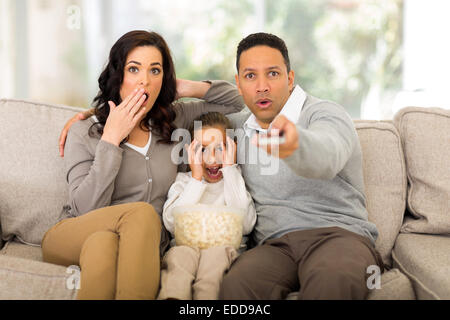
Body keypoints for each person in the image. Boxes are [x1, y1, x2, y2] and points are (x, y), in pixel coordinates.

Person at [42, 30, 245, 300]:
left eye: (155, 70)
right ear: (118, 75)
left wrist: (182, 86)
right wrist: (110, 141)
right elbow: (84, 210)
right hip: (71, 233)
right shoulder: (86, 131)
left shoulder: (175, 121)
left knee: (104, 245)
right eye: (134, 69)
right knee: (142, 214)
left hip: (128, 243)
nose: (144, 81)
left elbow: (241, 101)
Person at [219, 32, 384, 300]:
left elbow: (328, 153)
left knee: (332, 283)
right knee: (235, 286)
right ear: (238, 84)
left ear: (290, 78)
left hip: (339, 237)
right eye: (250, 76)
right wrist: (194, 88)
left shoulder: (325, 113)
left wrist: (295, 143)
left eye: (272, 74)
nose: (262, 86)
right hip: (274, 247)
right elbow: (193, 118)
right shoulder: (237, 126)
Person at [157, 112, 256, 300]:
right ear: (190, 152)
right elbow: (171, 223)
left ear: (231, 150)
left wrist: (230, 170)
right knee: (179, 258)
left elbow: (247, 224)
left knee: (215, 260)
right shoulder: (185, 182)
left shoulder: (235, 181)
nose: (211, 158)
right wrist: (195, 179)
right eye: (202, 149)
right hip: (185, 248)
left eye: (220, 148)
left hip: (224, 251)